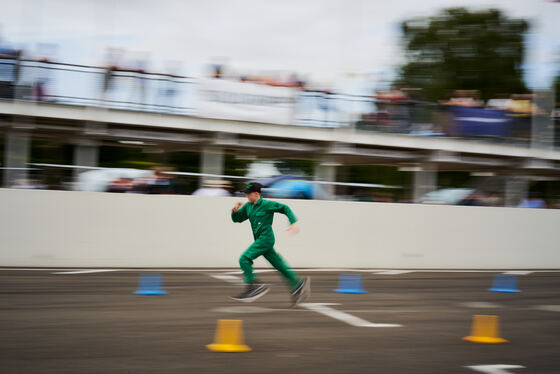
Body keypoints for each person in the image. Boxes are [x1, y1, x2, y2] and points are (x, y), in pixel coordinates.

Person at [230, 182, 310, 304]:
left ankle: (254, 285)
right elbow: (237, 219)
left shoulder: (267, 204)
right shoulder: (248, 206)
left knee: (244, 259)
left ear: (256, 194)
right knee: (279, 265)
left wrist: (293, 222)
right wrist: (235, 210)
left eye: (248, 194)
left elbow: (285, 208)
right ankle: (298, 284)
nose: (246, 196)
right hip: (260, 241)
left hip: (266, 239)